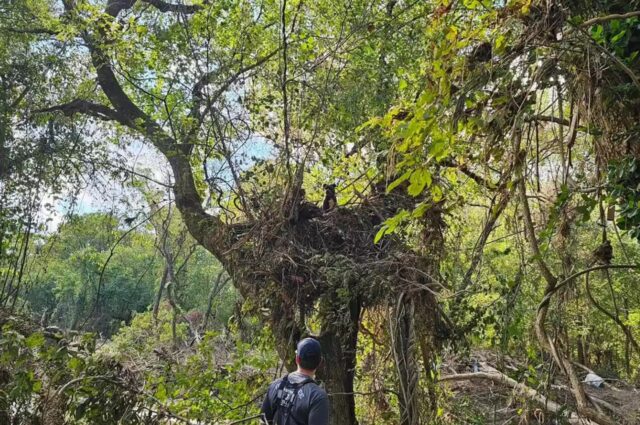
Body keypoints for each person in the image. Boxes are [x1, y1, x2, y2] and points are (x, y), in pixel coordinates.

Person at [261, 338, 329, 425]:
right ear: (320, 362)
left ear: (297, 359)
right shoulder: (317, 396)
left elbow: (263, 421)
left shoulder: (275, 386)